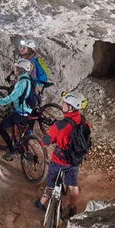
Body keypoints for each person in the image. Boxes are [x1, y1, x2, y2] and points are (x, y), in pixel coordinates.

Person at [35, 91, 91, 219]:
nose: (62, 104)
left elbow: (46, 141)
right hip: (75, 160)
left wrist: (45, 142)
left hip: (59, 160)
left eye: (64, 103)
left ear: (70, 107)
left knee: (50, 184)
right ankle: (72, 208)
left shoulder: (60, 125)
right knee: (73, 185)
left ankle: (41, 203)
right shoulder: (84, 121)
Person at [0, 59, 36, 161]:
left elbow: (13, 97)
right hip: (28, 110)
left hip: (21, 112)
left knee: (1, 127)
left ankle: (12, 151)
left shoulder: (22, 82)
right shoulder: (29, 79)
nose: (14, 69)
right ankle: (25, 149)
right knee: (22, 133)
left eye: (16, 67)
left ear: (21, 69)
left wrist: (1, 101)